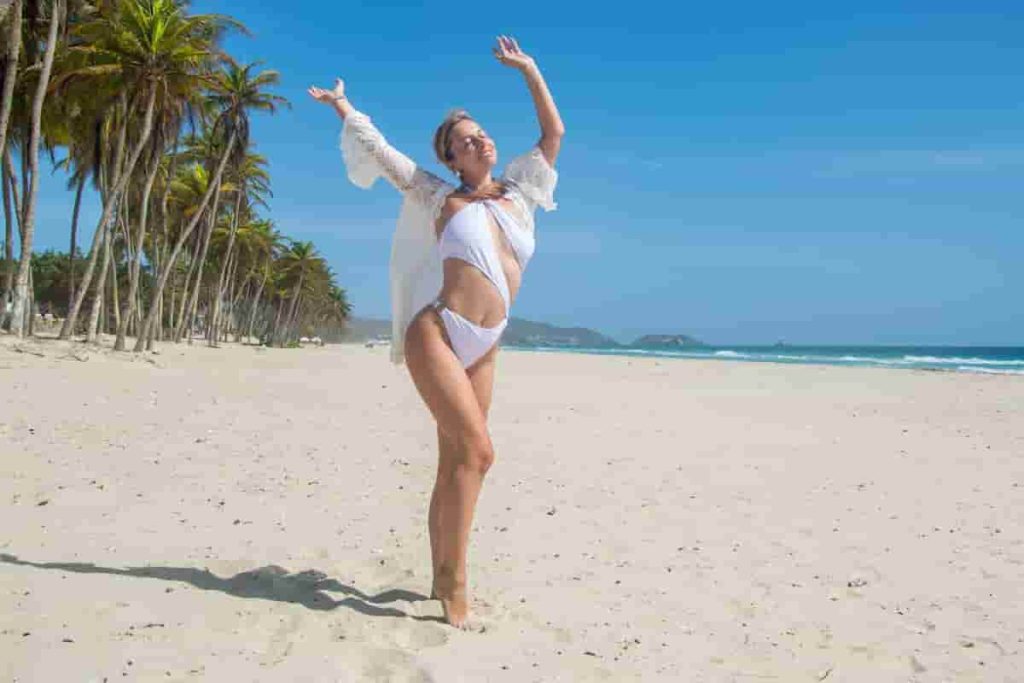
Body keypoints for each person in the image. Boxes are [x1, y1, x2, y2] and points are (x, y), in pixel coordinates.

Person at [308, 35, 564, 628]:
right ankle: (454, 585)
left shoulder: (522, 193)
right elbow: (383, 152)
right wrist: (346, 110)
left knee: (457, 460)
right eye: (466, 139)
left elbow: (553, 134)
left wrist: (530, 69)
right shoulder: (438, 197)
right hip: (441, 333)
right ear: (452, 158)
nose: (480, 139)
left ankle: (438, 573)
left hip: (487, 346)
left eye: (482, 132)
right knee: (479, 451)